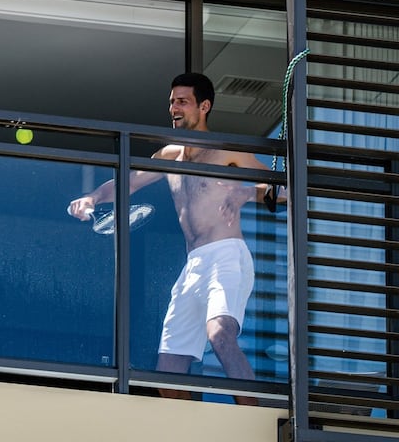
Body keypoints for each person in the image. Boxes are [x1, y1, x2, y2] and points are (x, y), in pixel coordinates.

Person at [68, 72, 286, 405]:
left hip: (226, 255)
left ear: (205, 106)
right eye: (172, 102)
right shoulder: (169, 157)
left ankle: (255, 421)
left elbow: (282, 191)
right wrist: (93, 198)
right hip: (193, 265)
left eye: (183, 101)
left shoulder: (228, 153)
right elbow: (128, 182)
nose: (174, 108)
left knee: (220, 336)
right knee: (167, 370)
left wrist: (243, 193)